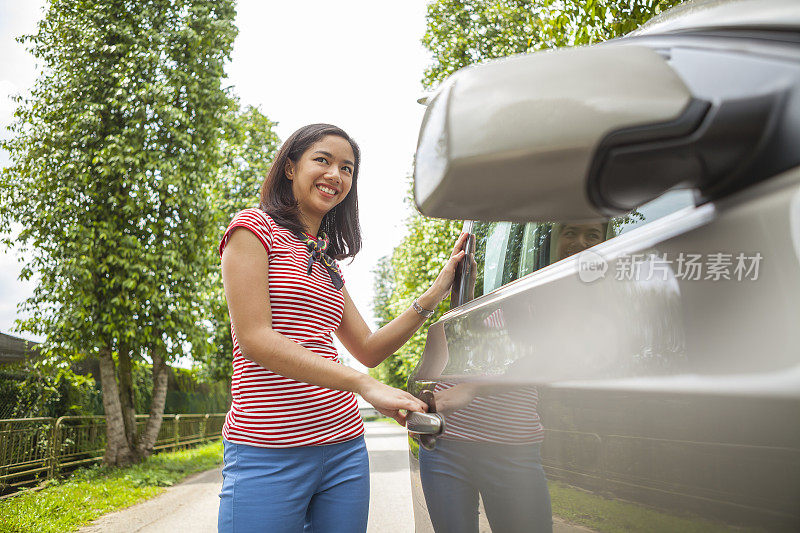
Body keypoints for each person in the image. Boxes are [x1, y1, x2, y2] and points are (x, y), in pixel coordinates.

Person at [217, 123, 468, 533]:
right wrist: (363, 384)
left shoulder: (326, 258)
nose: (336, 175)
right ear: (290, 168)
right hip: (268, 448)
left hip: (343, 448)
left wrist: (436, 292)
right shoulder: (253, 229)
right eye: (323, 160)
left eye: (347, 168)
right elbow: (256, 340)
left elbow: (368, 348)